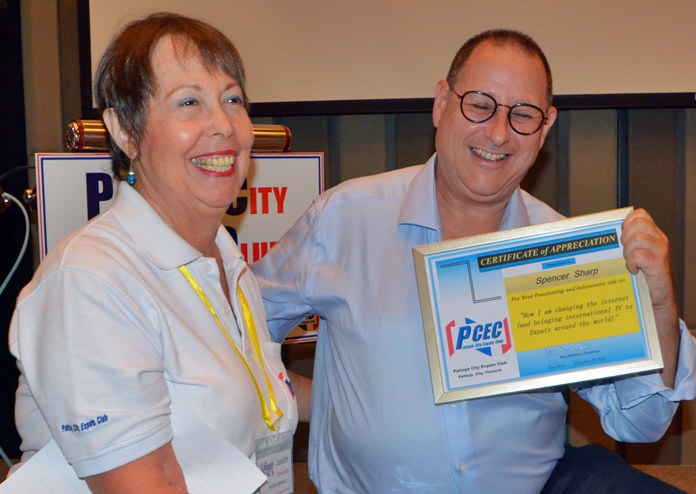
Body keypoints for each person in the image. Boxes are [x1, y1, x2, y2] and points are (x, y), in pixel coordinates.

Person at [251, 29, 696, 493]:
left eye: (523, 114)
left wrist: (661, 310)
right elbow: (236, 334)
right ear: (441, 102)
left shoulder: (564, 256)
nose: (499, 133)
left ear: (545, 127)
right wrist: (311, 400)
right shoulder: (343, 220)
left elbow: (639, 424)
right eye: (480, 105)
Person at [8, 12, 308, 493]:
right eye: (188, 102)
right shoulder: (90, 279)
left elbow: (256, 396)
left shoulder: (226, 259)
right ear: (124, 131)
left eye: (232, 99)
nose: (224, 125)